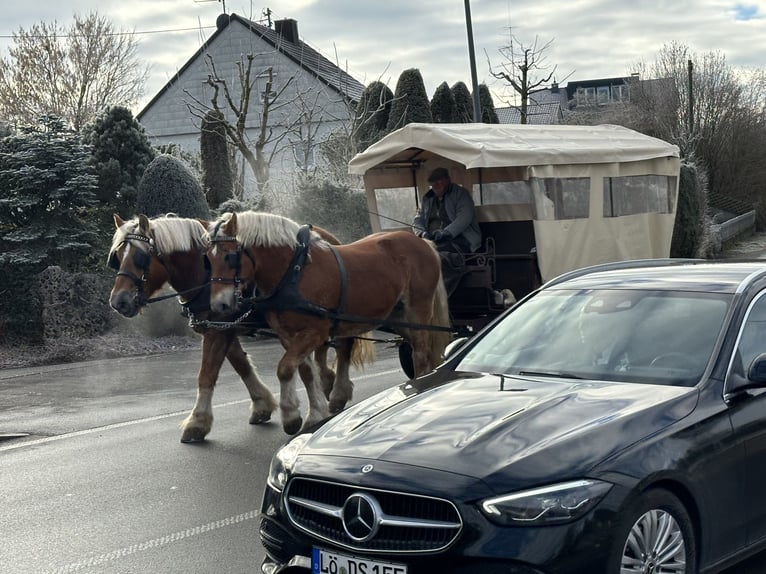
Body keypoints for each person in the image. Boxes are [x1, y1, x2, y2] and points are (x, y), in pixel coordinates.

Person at [412, 167, 482, 295]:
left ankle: (441, 293)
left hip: (459, 239)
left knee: (440, 257)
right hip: (432, 240)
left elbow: (464, 217)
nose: (436, 186)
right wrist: (422, 233)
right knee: (415, 256)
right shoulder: (427, 199)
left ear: (447, 180)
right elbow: (417, 220)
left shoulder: (461, 194)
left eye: (439, 183)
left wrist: (446, 232)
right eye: (433, 184)